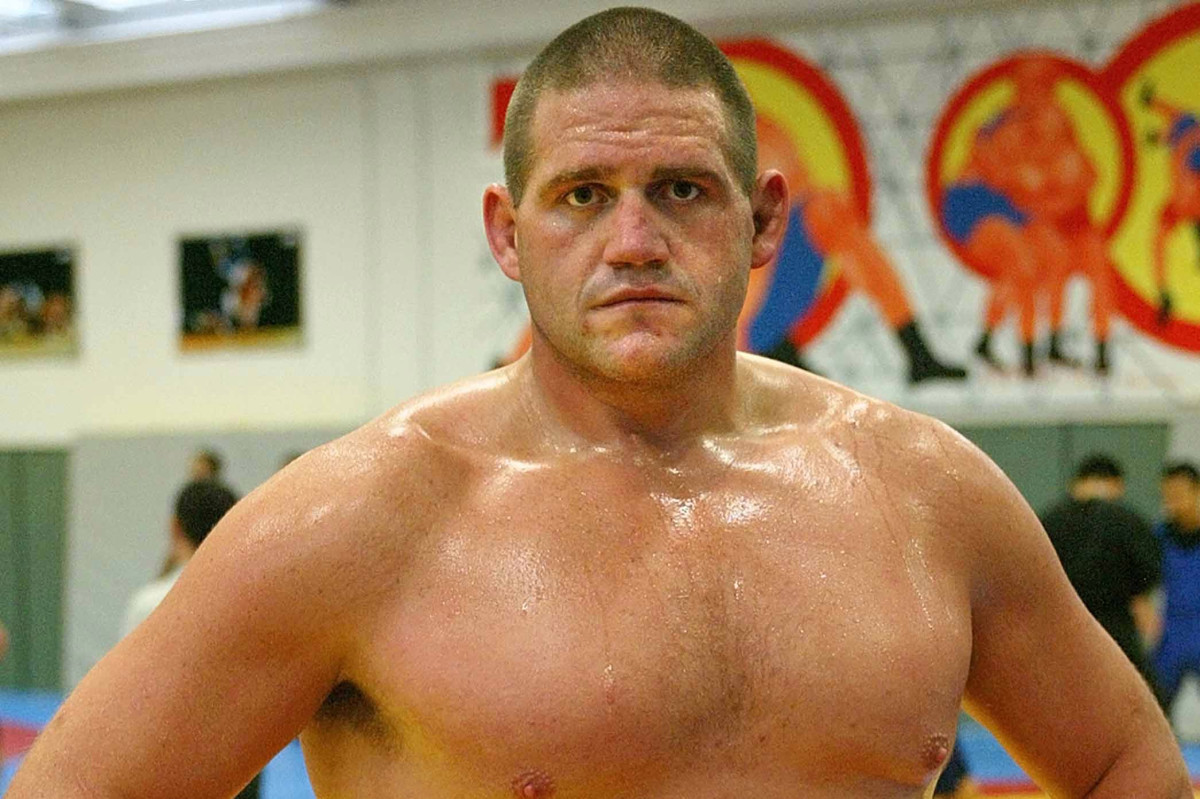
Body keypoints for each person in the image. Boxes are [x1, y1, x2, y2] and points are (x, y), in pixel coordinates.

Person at [7, 8, 1188, 798]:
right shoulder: (360, 520)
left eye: (681, 190)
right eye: (582, 194)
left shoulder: (928, 493)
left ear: (763, 220)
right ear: (506, 233)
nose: (633, 241)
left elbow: (1124, 761)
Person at [119, 480, 262, 799]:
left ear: (174, 527)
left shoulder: (149, 604)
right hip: (240, 756)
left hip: (165, 757)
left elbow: (127, 698)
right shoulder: (257, 600)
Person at [1040, 454, 1162, 694]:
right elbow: (1148, 573)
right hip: (1117, 633)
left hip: (1062, 630)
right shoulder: (1129, 521)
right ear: (1117, 484)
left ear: (1076, 483)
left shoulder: (1049, 520)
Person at [1153, 461, 1200, 719]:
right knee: (1158, 711)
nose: (1174, 502)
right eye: (1168, 496)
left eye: (1179, 494)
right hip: (1171, 634)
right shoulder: (1158, 537)